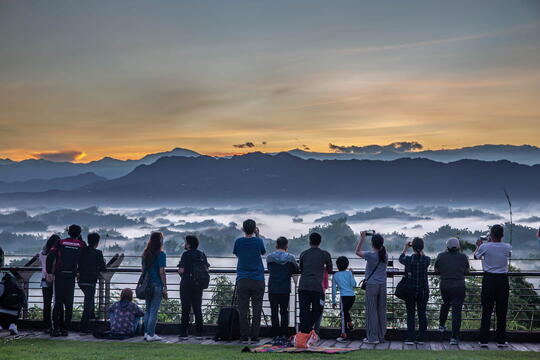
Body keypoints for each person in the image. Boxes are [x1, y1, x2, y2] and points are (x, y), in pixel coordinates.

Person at [474, 224, 512, 348]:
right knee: (502, 311)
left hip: (489, 279)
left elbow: (476, 256)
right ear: (502, 235)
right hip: (503, 280)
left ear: (490, 234)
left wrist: (478, 247)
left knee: (487, 310)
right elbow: (508, 255)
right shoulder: (507, 247)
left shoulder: (485, 246)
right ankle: (501, 340)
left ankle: (483, 340)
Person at [46, 224, 86, 337]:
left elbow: (50, 257)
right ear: (79, 234)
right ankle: (65, 330)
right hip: (71, 277)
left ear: (68, 232)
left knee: (58, 303)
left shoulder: (60, 243)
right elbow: (84, 258)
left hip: (59, 276)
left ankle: (56, 329)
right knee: (69, 304)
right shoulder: (81, 245)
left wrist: (49, 272)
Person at [233, 219, 266, 343]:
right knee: (257, 308)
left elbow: (237, 253)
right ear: (254, 229)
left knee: (243, 308)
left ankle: (244, 335)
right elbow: (262, 252)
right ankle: (255, 335)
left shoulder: (238, 242)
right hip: (258, 279)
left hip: (242, 279)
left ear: (243, 229)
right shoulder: (258, 241)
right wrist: (257, 235)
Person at [434, 238, 470, 345]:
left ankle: (441, 325)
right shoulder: (463, 256)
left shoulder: (441, 256)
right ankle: (454, 337)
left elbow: (436, 270)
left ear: (447, 246)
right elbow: (467, 270)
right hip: (459, 285)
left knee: (445, 303)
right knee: (456, 311)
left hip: (445, 285)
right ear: (458, 246)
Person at [356, 232, 388, 344]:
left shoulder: (371, 255)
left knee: (372, 311)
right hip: (383, 285)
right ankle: (381, 336)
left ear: (372, 244)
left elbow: (357, 252)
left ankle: (373, 337)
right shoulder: (385, 254)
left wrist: (362, 238)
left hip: (372, 285)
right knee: (381, 311)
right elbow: (381, 247)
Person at [298, 232, 333, 334]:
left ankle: (304, 332)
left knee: (304, 311)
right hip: (317, 288)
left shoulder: (303, 254)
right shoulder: (325, 254)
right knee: (318, 310)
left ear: (309, 241)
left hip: (303, 286)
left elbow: (301, 268)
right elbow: (330, 270)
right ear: (320, 242)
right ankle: (306, 331)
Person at [266, 236, 299, 341]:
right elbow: (296, 269)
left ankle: (275, 333)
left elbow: (269, 268)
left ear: (276, 245)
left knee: (274, 311)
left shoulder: (269, 257)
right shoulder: (291, 258)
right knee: (284, 311)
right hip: (285, 287)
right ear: (286, 245)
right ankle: (284, 333)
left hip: (273, 287)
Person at [177, 235, 210, 340]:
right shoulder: (201, 254)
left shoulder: (185, 255)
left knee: (185, 308)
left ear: (189, 244)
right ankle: (199, 333)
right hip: (198, 285)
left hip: (186, 284)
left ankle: (184, 333)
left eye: (185, 242)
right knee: (197, 308)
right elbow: (207, 270)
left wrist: (179, 271)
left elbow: (181, 270)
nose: (184, 244)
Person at [399, 237, 430, 345]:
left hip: (410, 291)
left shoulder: (408, 260)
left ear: (413, 247)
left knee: (410, 314)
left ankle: (410, 338)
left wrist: (405, 247)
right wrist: (420, 249)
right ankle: (421, 338)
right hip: (423, 291)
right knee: (422, 314)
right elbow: (425, 257)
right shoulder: (426, 260)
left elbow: (400, 258)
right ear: (422, 247)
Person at [78, 232, 106, 333]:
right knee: (88, 304)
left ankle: (90, 321)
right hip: (91, 281)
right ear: (97, 242)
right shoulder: (98, 253)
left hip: (81, 281)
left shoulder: (81, 250)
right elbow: (103, 267)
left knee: (89, 301)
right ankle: (83, 327)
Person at [142, 231, 168, 342]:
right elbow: (162, 271)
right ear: (160, 241)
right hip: (157, 284)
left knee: (147, 310)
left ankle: (146, 333)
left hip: (147, 285)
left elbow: (143, 270)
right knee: (153, 310)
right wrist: (165, 286)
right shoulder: (161, 254)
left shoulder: (145, 253)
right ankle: (151, 334)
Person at [331, 256, 356, 342]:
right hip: (352, 297)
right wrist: (352, 275)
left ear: (337, 265)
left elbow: (334, 290)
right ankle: (350, 324)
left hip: (344, 297)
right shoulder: (349, 273)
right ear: (347, 265)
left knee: (343, 315)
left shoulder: (335, 275)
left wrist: (333, 301)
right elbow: (354, 285)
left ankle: (343, 335)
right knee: (345, 312)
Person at [39, 234, 60, 333]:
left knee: (46, 304)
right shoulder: (55, 253)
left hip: (44, 279)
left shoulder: (42, 253)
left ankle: (46, 326)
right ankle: (56, 324)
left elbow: (42, 265)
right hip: (56, 279)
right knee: (57, 303)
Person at [0, 270, 25, 335]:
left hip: (3, 310)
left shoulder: (3, 281)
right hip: (15, 312)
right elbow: (23, 300)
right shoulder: (17, 284)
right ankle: (13, 326)